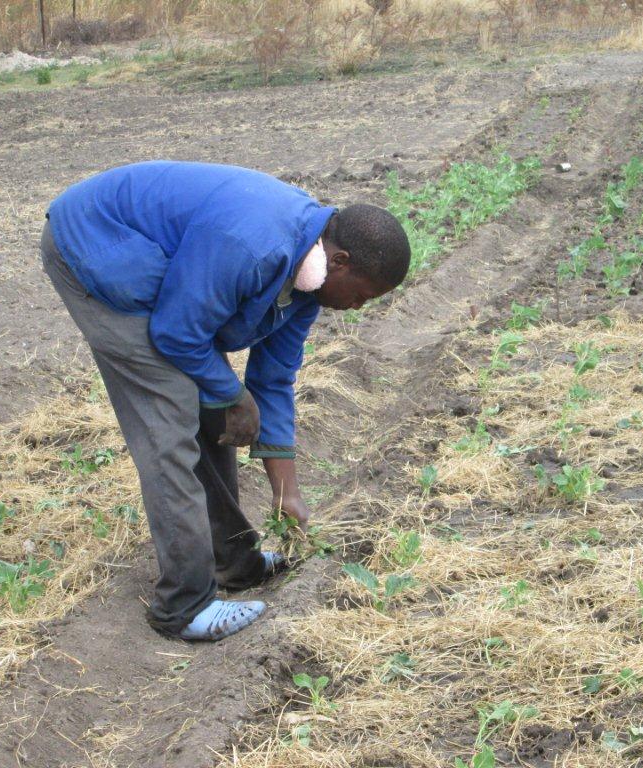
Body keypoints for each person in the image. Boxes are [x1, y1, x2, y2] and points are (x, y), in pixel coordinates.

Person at [40, 161, 410, 641]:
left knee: (214, 406)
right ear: (339, 262)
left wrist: (286, 494)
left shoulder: (307, 284)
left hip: (165, 266)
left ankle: (234, 562)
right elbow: (176, 331)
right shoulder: (256, 246)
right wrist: (233, 395)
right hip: (98, 245)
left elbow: (273, 380)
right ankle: (183, 607)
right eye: (363, 295)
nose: (358, 307)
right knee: (170, 414)